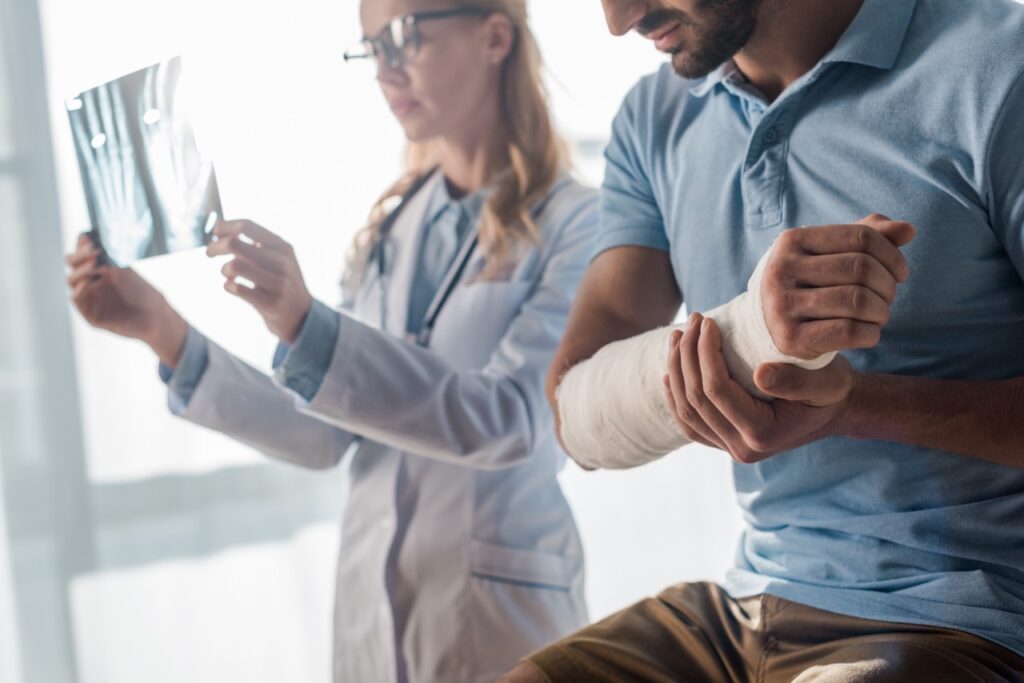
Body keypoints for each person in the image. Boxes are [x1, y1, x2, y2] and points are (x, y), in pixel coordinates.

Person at [67, 2, 598, 681]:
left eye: (405, 38)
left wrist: (307, 326)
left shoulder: (579, 225)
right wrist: (161, 328)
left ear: (494, 35)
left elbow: (514, 420)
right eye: (371, 48)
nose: (386, 70)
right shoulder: (390, 230)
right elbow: (325, 433)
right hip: (372, 616)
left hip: (499, 617)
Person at [503, 0, 1024, 680]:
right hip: (741, 604)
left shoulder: (1000, 68)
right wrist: (748, 335)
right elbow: (575, 408)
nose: (618, 18)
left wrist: (856, 403)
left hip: (962, 615)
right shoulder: (653, 119)